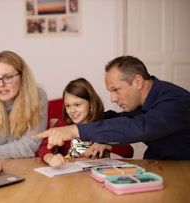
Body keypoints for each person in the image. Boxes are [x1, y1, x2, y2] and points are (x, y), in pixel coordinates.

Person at [33, 56, 190, 160]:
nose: (113, 99)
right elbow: (121, 118)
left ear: (137, 81)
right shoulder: (142, 104)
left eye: (116, 90)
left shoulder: (176, 101)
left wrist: (75, 130)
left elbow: (139, 127)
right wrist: (91, 117)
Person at [37, 78, 134, 167]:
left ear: (91, 104)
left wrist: (107, 144)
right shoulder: (64, 123)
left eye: (77, 105)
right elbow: (44, 148)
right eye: (68, 106)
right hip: (69, 177)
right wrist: (50, 158)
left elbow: (129, 151)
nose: (72, 110)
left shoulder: (103, 124)